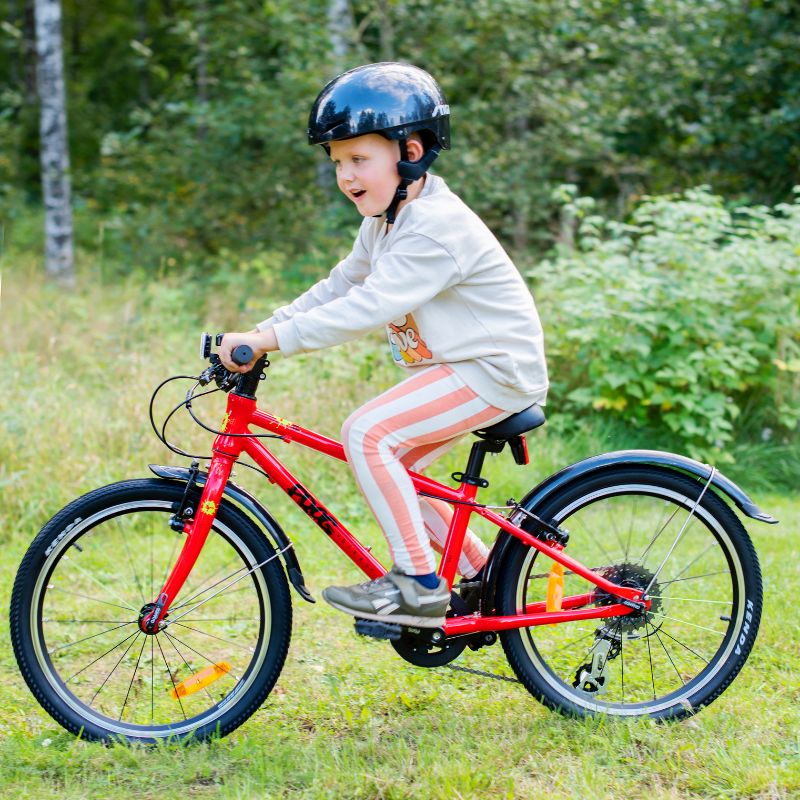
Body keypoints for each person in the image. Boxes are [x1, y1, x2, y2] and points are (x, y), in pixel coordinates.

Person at [219, 62, 548, 628]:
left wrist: (271, 340)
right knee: (399, 471)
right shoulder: (386, 222)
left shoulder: (434, 227)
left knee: (368, 434)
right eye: (337, 163)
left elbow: (367, 307)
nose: (346, 175)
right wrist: (261, 332)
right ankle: (482, 575)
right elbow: (339, 287)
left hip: (493, 372)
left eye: (358, 159)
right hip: (463, 369)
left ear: (411, 152)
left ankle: (417, 584)